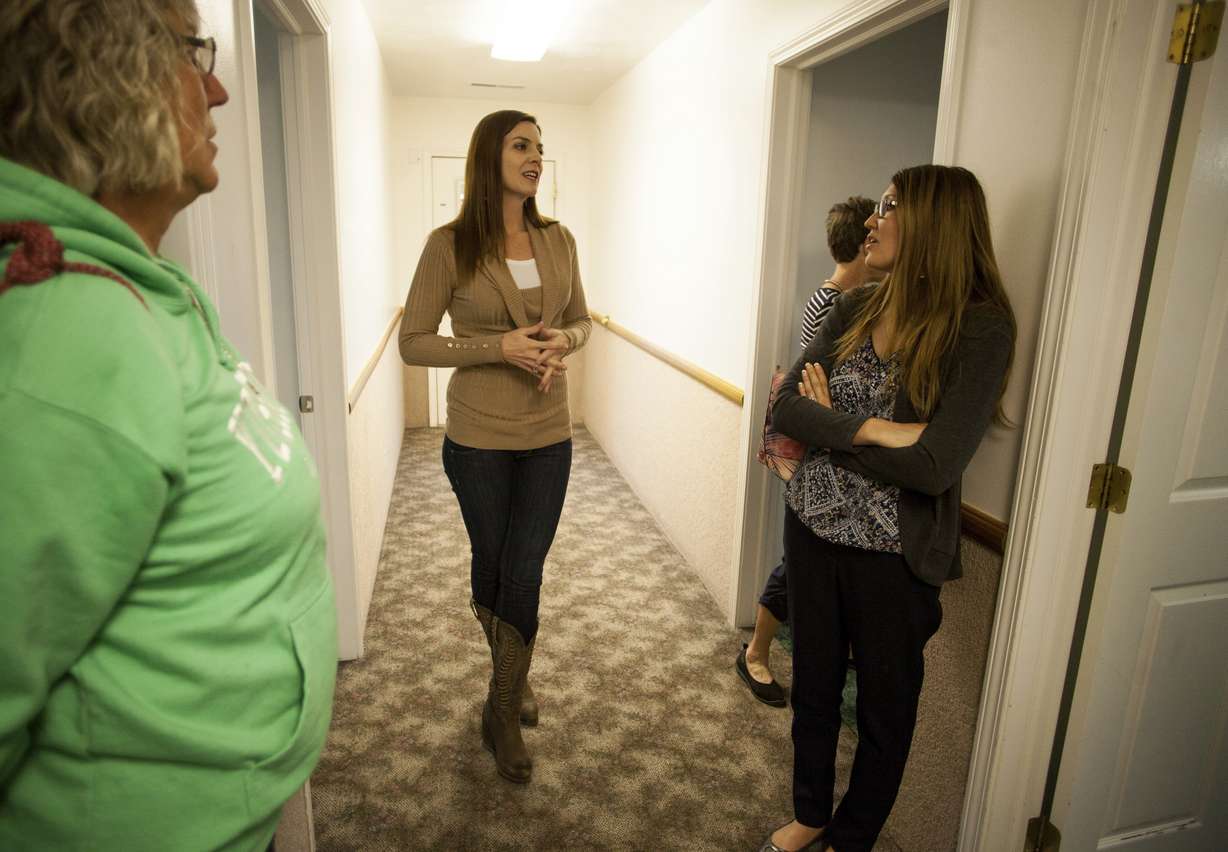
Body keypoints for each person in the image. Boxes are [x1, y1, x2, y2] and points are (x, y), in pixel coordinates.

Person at [0, 2, 337, 850]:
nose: (218, 89)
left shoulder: (136, 287)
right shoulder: (61, 333)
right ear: (105, 82)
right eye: (194, 57)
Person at [760, 165, 1016, 852]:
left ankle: (852, 837)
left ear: (935, 222)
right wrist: (872, 429)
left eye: (891, 206)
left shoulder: (981, 330)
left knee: (885, 707)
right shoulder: (856, 306)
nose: (873, 220)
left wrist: (832, 424)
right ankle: (810, 813)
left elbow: (934, 466)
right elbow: (786, 405)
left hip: (893, 558)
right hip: (811, 528)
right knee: (812, 686)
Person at [399, 110, 590, 784]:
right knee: (494, 560)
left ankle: (502, 705)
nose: (536, 155)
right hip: (477, 437)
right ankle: (512, 677)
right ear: (489, 158)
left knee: (527, 567)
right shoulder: (448, 245)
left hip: (549, 436)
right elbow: (414, 341)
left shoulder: (559, 240)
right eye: (520, 145)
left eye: (541, 145)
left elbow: (580, 320)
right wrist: (497, 348)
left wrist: (563, 341)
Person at [738, 196, 877, 707]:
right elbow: (824, 390)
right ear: (864, 242)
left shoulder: (858, 297)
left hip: (841, 452)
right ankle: (755, 651)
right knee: (796, 563)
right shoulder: (834, 302)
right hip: (822, 453)